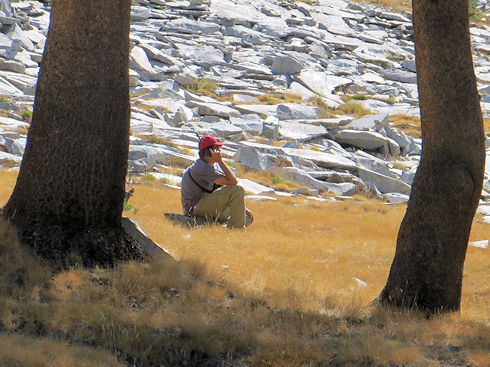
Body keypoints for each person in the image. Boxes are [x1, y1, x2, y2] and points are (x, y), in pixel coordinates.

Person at [181, 135, 253, 228]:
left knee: (246, 217)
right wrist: (220, 161)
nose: (219, 152)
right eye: (217, 149)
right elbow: (233, 182)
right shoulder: (202, 168)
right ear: (210, 152)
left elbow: (222, 188)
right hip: (195, 209)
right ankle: (236, 230)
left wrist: (244, 209)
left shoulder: (206, 166)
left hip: (204, 205)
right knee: (237, 189)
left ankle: (221, 228)